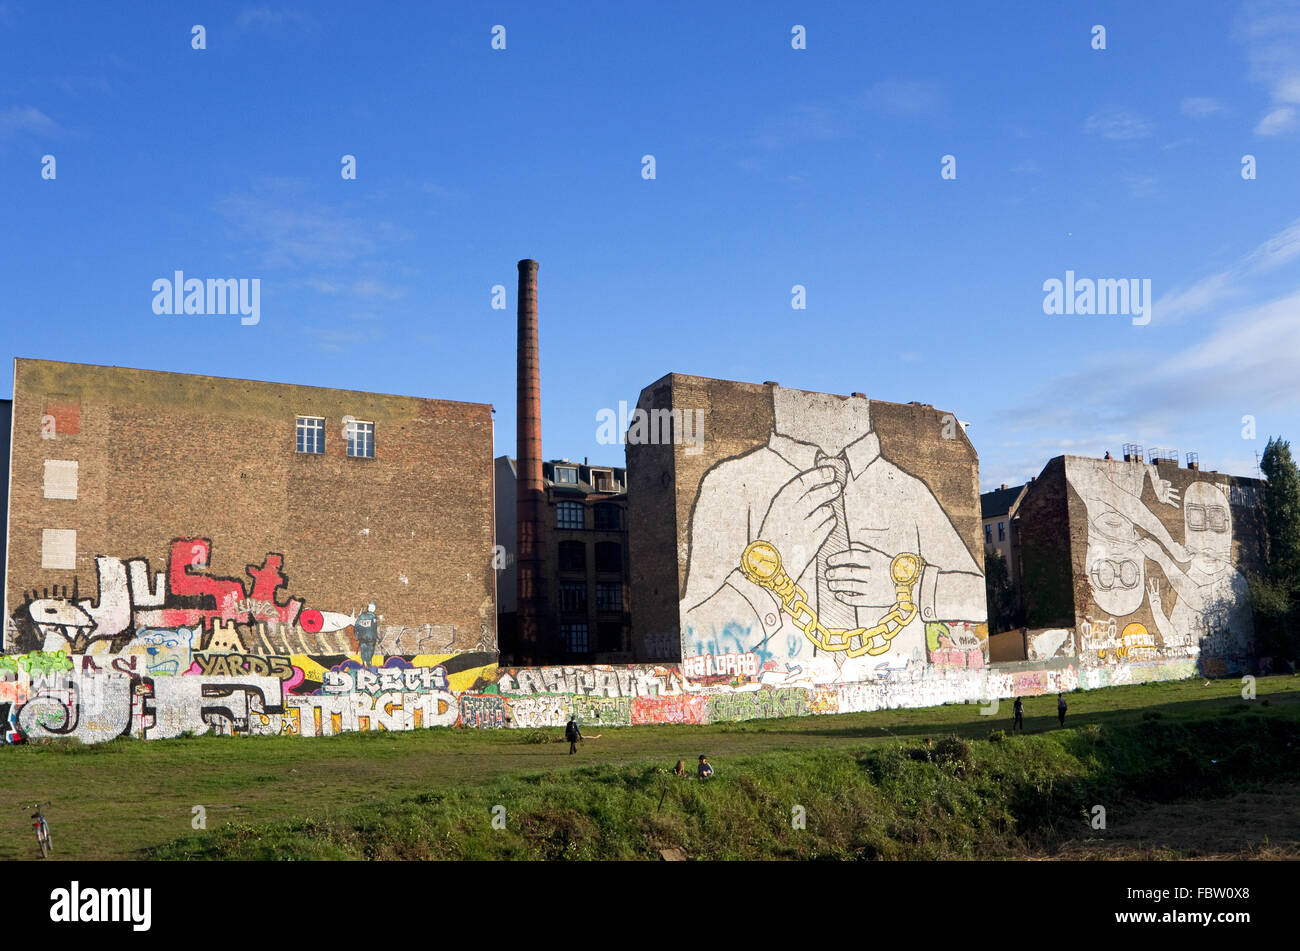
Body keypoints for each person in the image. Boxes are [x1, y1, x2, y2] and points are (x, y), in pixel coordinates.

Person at [354, 602, 379, 667]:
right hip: (370, 638)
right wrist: (376, 637)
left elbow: (356, 626)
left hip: (362, 638)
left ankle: (364, 662)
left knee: (363, 650)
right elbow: (374, 628)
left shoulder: (361, 616)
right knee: (370, 650)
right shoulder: (373, 617)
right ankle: (368, 663)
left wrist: (356, 635)